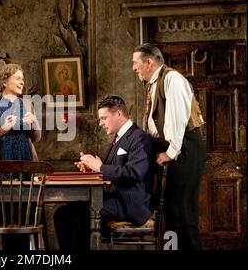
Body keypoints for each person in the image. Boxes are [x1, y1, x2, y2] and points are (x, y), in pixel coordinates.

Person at [54, 96, 153, 250]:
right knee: (62, 214)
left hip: (129, 202)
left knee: (82, 218)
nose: (100, 123)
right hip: (112, 198)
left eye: (104, 118)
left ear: (119, 114)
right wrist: (91, 169)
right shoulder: (118, 139)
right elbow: (109, 171)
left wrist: (100, 167)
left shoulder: (139, 138)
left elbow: (134, 173)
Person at [132, 43, 205, 250]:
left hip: (184, 147)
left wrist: (171, 152)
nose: (134, 68)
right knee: (172, 212)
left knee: (183, 211)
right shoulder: (154, 83)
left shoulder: (172, 78)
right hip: (172, 146)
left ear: (149, 62)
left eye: (136, 63)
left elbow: (178, 118)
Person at [0, 63, 41, 163]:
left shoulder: (27, 104)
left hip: (25, 160)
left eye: (23, 79)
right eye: (18, 78)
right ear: (5, 82)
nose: (22, 82)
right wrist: (2, 129)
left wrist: (33, 123)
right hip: (1, 162)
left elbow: (37, 137)